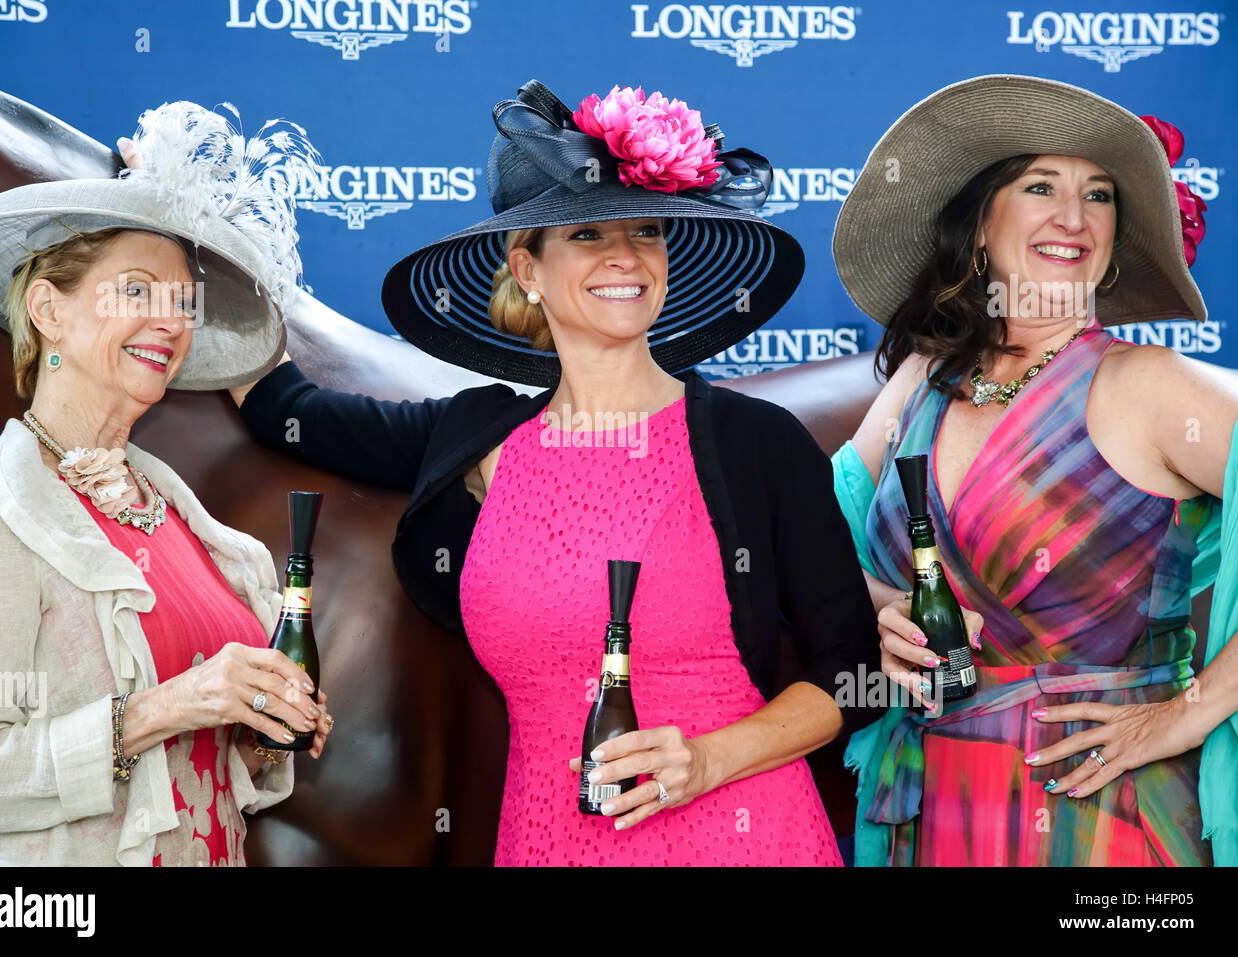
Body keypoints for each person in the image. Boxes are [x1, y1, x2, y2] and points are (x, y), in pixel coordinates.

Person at [231, 80, 880, 865]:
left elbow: (852, 668)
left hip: (742, 831)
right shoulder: (472, 436)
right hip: (546, 840)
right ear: (527, 267)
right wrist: (186, 229)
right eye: (586, 233)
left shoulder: (758, 442)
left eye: (647, 230)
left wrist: (707, 758)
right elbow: (281, 405)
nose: (625, 255)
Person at [830, 74, 1238, 866]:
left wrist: (1187, 712)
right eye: (1041, 185)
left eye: (1099, 195)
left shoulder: (1150, 385)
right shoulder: (922, 379)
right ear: (981, 224)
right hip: (927, 806)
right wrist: (884, 612)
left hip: (1100, 818)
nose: (1073, 216)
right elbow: (821, 545)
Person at [0, 102, 332, 865]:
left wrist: (259, 728)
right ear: (47, 309)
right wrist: (170, 705)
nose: (171, 319)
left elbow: (210, 778)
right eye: (137, 291)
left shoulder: (204, 536)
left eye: (183, 300)